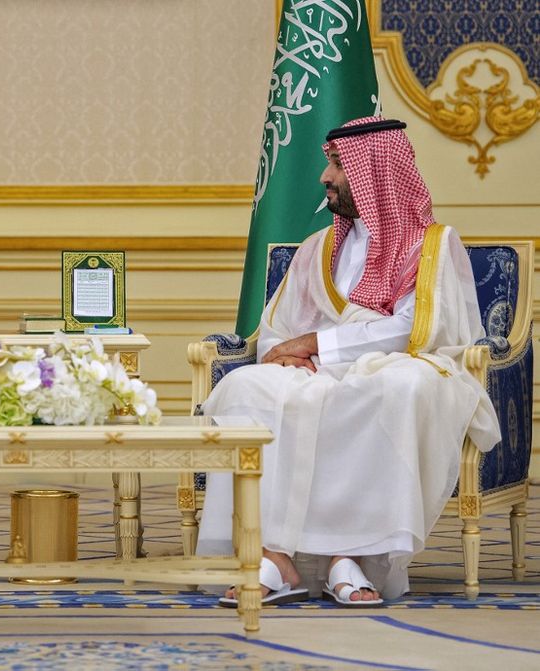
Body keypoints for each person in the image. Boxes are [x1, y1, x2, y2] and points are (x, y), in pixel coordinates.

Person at [197, 116, 500, 606]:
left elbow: (413, 328)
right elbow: (280, 324)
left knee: (393, 388)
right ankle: (274, 555)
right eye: (328, 162)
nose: (325, 176)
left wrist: (318, 345)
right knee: (247, 387)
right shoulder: (319, 248)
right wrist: (292, 357)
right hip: (321, 368)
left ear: (374, 172)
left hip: (403, 362)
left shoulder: (433, 246)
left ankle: (351, 556)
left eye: (337, 163)